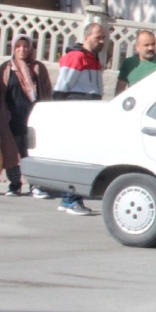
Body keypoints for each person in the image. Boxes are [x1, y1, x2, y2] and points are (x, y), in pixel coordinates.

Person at [52, 22, 107, 215]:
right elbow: (62, 86)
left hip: (88, 110)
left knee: (80, 156)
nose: (101, 41)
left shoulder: (94, 59)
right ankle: (70, 200)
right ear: (87, 37)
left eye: (103, 38)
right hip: (77, 111)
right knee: (75, 157)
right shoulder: (77, 57)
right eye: (98, 37)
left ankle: (70, 199)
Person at [0, 34, 54, 197]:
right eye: (18, 46)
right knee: (12, 152)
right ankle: (14, 185)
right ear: (13, 48)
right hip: (11, 118)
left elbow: (46, 92)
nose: (22, 50)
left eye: (25, 46)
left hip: (33, 119)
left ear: (30, 48)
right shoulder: (6, 68)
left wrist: (48, 112)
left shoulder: (38, 68)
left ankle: (35, 186)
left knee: (32, 153)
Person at [115, 29, 156, 95]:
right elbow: (120, 89)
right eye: (146, 45)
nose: (150, 48)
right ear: (137, 47)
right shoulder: (129, 63)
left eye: (153, 44)